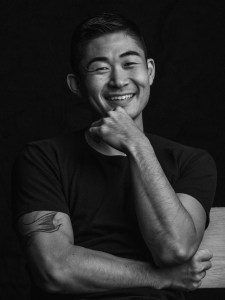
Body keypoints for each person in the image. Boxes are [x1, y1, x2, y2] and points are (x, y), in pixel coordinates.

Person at [12, 13, 217, 300]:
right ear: (76, 84)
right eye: (99, 69)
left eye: (130, 63)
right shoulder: (42, 159)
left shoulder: (191, 162)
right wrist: (158, 277)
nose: (119, 80)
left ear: (150, 71)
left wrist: (136, 144)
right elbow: (54, 269)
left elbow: (175, 249)